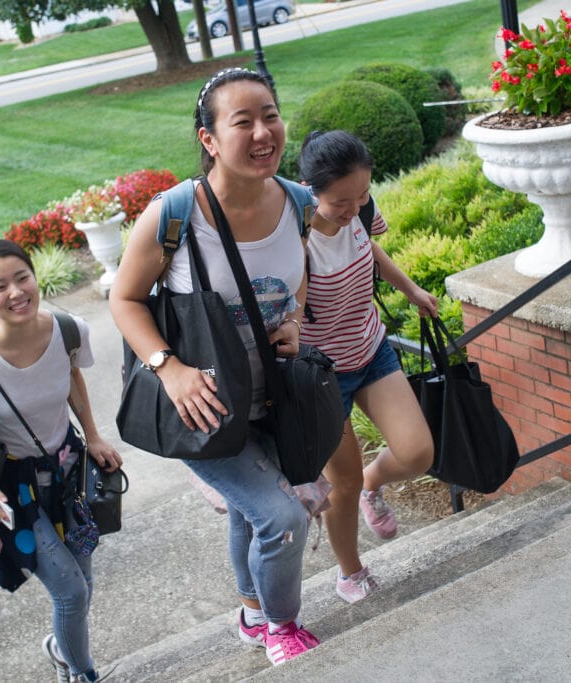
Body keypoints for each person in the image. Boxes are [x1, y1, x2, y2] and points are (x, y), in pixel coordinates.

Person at [110, 67, 320, 666]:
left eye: (270, 115)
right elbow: (123, 300)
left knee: (251, 514)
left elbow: (298, 277)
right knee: (282, 517)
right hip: (204, 403)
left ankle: (252, 614)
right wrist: (168, 367)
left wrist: (296, 320)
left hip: (271, 398)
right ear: (209, 139)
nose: (263, 132)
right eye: (243, 121)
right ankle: (282, 626)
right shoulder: (175, 215)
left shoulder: (298, 203)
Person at [0, 239, 121, 683]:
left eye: (22, 278)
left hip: (66, 471)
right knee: (71, 592)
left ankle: (61, 650)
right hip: (13, 486)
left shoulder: (69, 329)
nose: (16, 292)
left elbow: (73, 376)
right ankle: (82, 675)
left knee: (83, 579)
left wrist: (93, 435)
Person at [298, 130, 437, 603]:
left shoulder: (360, 210)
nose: (354, 207)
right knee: (342, 480)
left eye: (362, 194)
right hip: (323, 376)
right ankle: (350, 572)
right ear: (309, 189)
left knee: (418, 452)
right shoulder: (295, 240)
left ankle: (374, 486)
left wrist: (411, 289)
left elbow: (369, 249)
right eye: (341, 200)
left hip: (370, 348)